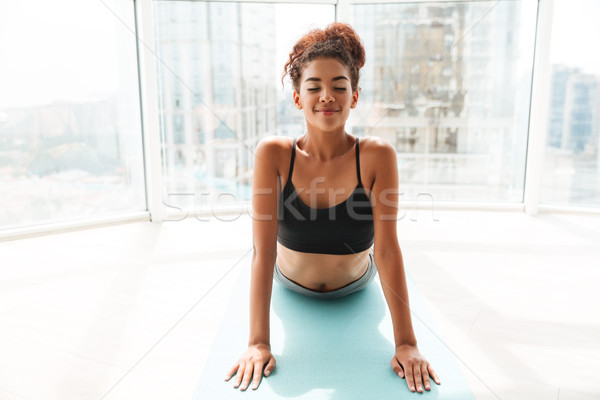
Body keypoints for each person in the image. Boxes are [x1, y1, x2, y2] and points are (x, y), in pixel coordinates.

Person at [224, 22, 441, 394]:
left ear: (354, 97)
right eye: (314, 87)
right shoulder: (274, 154)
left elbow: (387, 250)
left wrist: (406, 343)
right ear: (297, 98)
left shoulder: (376, 156)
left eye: (340, 86)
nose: (327, 96)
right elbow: (262, 250)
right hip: (289, 283)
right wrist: (258, 342)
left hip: (355, 285)